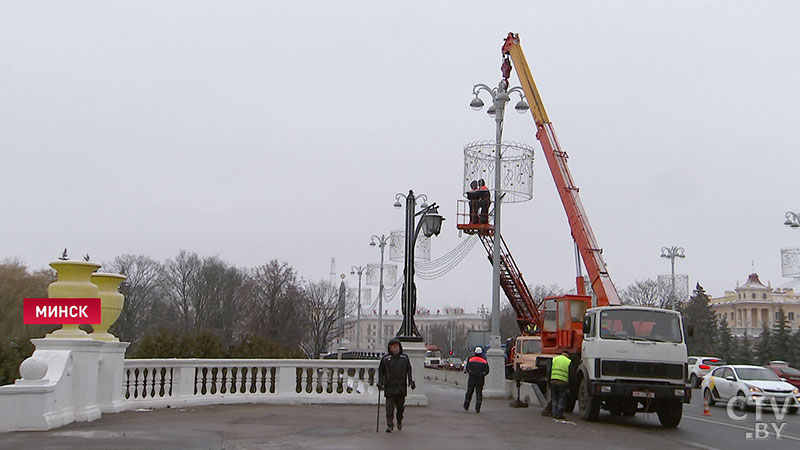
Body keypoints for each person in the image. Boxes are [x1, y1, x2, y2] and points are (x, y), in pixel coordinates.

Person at [378, 338, 415, 433]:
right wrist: (380, 382)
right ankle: (390, 425)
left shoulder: (404, 358)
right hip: (389, 386)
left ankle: (399, 420)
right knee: (389, 408)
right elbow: (381, 371)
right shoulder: (385, 359)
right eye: (393, 346)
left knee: (400, 408)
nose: (395, 347)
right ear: (390, 347)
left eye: (397, 345)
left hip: (401, 386)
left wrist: (411, 381)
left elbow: (409, 369)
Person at [463, 346, 490, 413]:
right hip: (480, 380)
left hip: (472, 379)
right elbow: (487, 371)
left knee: (469, 392)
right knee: (479, 393)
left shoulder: (471, 359)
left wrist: (471, 373)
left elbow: (467, 369)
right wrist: (482, 374)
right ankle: (478, 407)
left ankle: (466, 405)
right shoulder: (484, 361)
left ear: (475, 352)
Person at [550, 350, 571, 420]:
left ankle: (554, 413)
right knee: (562, 398)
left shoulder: (554, 359)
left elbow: (549, 371)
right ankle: (559, 414)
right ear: (567, 355)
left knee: (554, 398)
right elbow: (571, 374)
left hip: (553, 381)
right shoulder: (568, 362)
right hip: (563, 382)